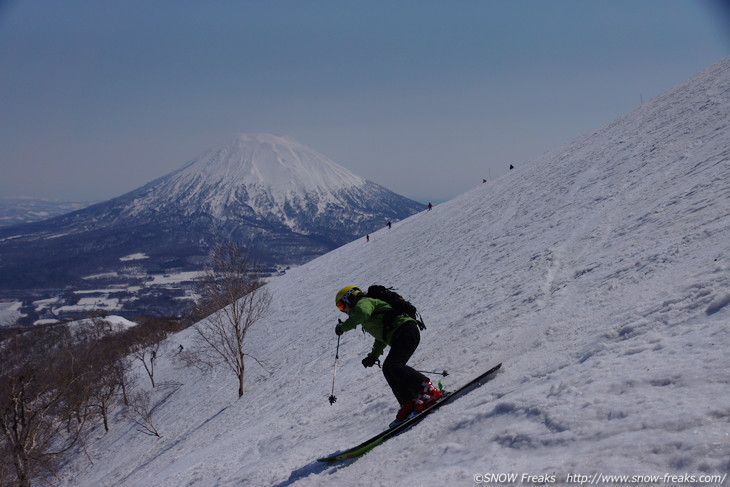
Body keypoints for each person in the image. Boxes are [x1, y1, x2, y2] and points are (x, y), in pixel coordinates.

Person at [334, 286, 442, 426]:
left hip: (406, 330)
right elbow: (382, 337)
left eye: (342, 305)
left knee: (394, 365)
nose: (343, 310)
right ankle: (409, 402)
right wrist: (373, 355)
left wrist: (342, 328)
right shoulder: (367, 313)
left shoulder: (363, 303)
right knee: (388, 368)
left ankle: (429, 391)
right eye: (340, 308)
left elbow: (361, 314)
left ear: (350, 297)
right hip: (400, 333)